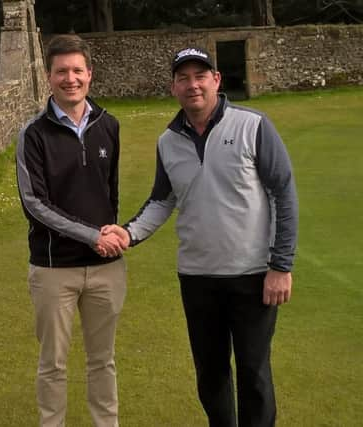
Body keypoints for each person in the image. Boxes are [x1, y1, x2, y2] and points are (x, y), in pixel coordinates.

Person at [102, 47, 298, 427]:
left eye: (200, 76)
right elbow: (162, 200)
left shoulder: (252, 125)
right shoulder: (168, 141)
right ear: (174, 87)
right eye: (183, 78)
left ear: (216, 81)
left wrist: (281, 265)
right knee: (210, 376)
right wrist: (126, 233)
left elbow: (283, 193)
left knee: (254, 374)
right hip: (197, 278)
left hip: (253, 275)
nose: (192, 85)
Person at [16, 34, 127, 427]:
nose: (70, 78)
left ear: (90, 74)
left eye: (77, 70)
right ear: (49, 77)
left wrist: (110, 237)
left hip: (106, 268)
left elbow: (109, 193)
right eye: (61, 71)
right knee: (53, 364)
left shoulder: (109, 125)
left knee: (103, 361)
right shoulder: (33, 134)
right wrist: (92, 236)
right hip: (52, 269)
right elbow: (35, 204)